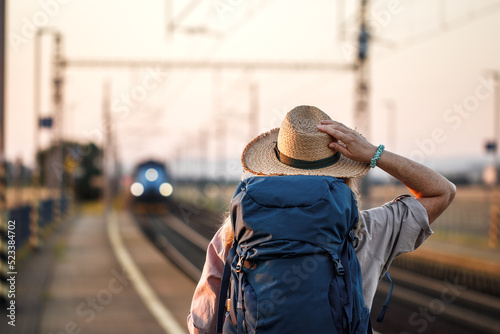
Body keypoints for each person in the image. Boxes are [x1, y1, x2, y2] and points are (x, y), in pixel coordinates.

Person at [187, 105, 456, 334]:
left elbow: (203, 323)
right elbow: (442, 192)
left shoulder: (236, 232)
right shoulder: (367, 232)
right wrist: (374, 154)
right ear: (344, 174)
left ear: (272, 169)